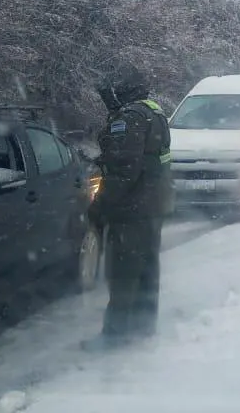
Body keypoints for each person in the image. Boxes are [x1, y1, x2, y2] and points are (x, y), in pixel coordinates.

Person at [83, 62, 173, 351]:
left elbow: (123, 170)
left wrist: (99, 207)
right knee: (147, 268)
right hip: (152, 205)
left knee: (123, 272)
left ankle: (115, 336)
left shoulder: (130, 117)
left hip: (131, 208)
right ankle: (144, 327)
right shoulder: (154, 111)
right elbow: (149, 160)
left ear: (119, 90)